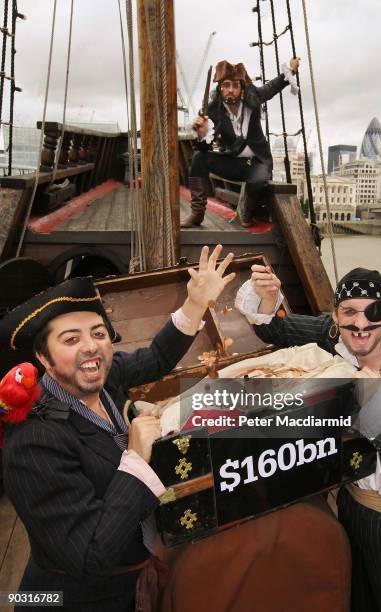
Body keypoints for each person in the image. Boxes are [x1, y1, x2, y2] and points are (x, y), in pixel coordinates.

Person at [0, 245, 235, 612]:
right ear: (43, 359)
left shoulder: (104, 380)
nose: (90, 348)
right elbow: (92, 553)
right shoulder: (33, 441)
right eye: (71, 339)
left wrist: (195, 304)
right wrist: (137, 457)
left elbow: (155, 357)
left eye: (98, 333)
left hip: (129, 580)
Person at [235, 265, 381, 611]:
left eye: (372, 312)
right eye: (349, 312)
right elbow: (277, 328)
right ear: (336, 315)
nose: (360, 324)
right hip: (352, 507)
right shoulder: (331, 334)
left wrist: (375, 411)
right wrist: (268, 297)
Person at [180, 57, 300, 229]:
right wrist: (201, 134)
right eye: (226, 85)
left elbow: (272, 87)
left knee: (257, 182)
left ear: (242, 89)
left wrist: (291, 70)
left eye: (235, 86)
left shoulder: (254, 98)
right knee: (199, 157)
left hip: (257, 161)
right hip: (234, 162)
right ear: (220, 89)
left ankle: (246, 213)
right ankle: (197, 214)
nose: (231, 90)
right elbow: (205, 147)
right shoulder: (214, 110)